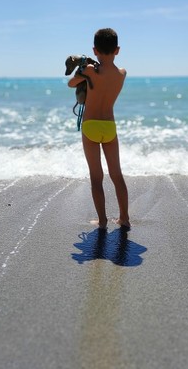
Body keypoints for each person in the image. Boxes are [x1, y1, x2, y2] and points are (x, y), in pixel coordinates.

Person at [68, 28, 130, 230]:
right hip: (109, 126)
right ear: (117, 50)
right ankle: (124, 218)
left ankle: (102, 221)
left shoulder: (89, 71)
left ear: (95, 50)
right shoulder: (122, 74)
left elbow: (71, 83)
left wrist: (85, 69)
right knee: (116, 175)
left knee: (96, 177)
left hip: (90, 126)